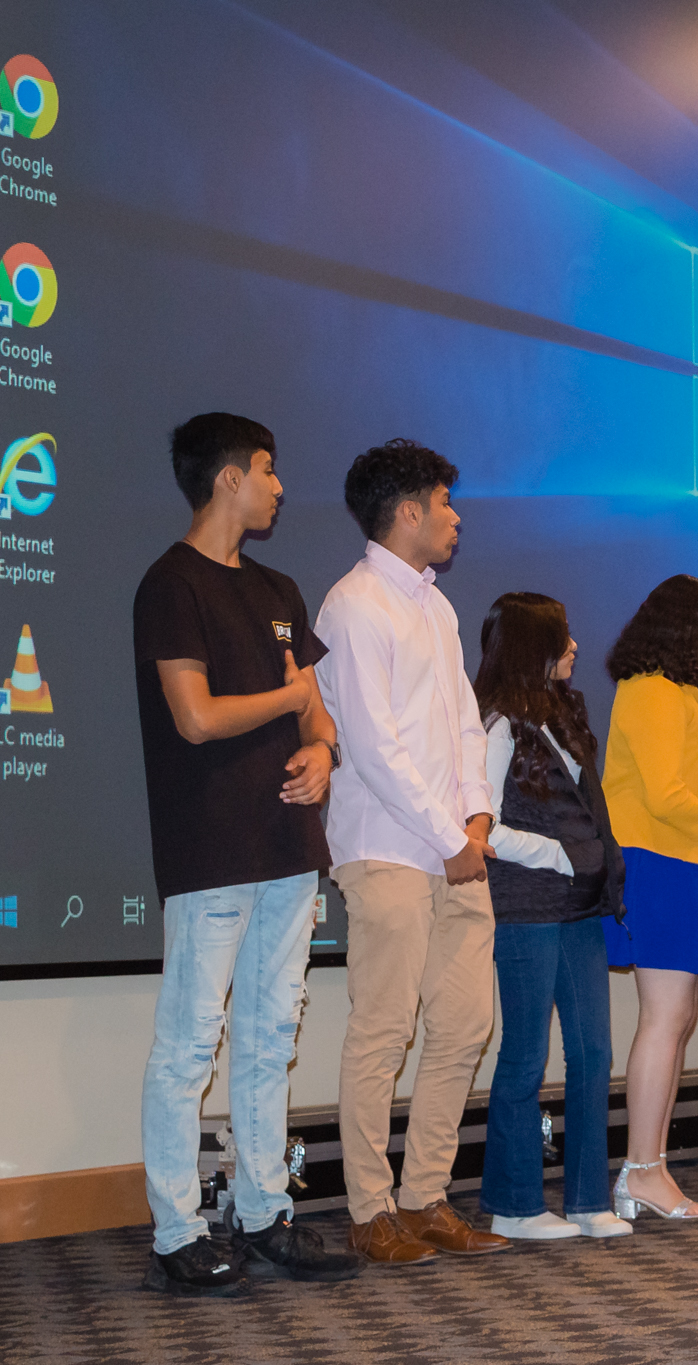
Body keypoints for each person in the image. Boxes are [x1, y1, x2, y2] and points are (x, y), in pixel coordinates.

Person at [133, 413, 361, 1295]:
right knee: (191, 1042)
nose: (276, 485)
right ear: (227, 477)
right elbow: (194, 715)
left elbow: (314, 710)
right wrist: (288, 698)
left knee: (271, 1034)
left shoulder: (279, 586)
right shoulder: (170, 583)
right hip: (212, 848)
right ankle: (177, 1228)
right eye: (266, 469)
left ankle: (265, 1212)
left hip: (288, 847)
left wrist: (324, 749)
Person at [317, 438, 510, 1264]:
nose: (455, 516)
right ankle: (370, 1209)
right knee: (384, 1027)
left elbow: (466, 726)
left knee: (468, 1019)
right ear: (407, 512)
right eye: (444, 501)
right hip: (387, 847)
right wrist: (447, 837)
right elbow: (372, 745)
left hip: (452, 850)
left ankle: (426, 1194)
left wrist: (476, 821)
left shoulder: (436, 606)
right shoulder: (354, 604)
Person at [472, 594, 632, 1239]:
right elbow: (484, 829)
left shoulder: (567, 713)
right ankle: (514, 1206)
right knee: (526, 1056)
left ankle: (589, 1198)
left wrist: (593, 863)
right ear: (530, 646)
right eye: (561, 637)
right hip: (527, 907)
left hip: (580, 906)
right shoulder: (495, 724)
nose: (573, 647)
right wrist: (565, 856)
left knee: (594, 1051)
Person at [601, 575, 698, 1221]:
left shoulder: (677, 691)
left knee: (678, 1017)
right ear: (686, 627)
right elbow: (662, 794)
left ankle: (650, 1166)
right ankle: (640, 1168)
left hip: (684, 857)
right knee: (665, 1018)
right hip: (658, 860)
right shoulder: (651, 689)